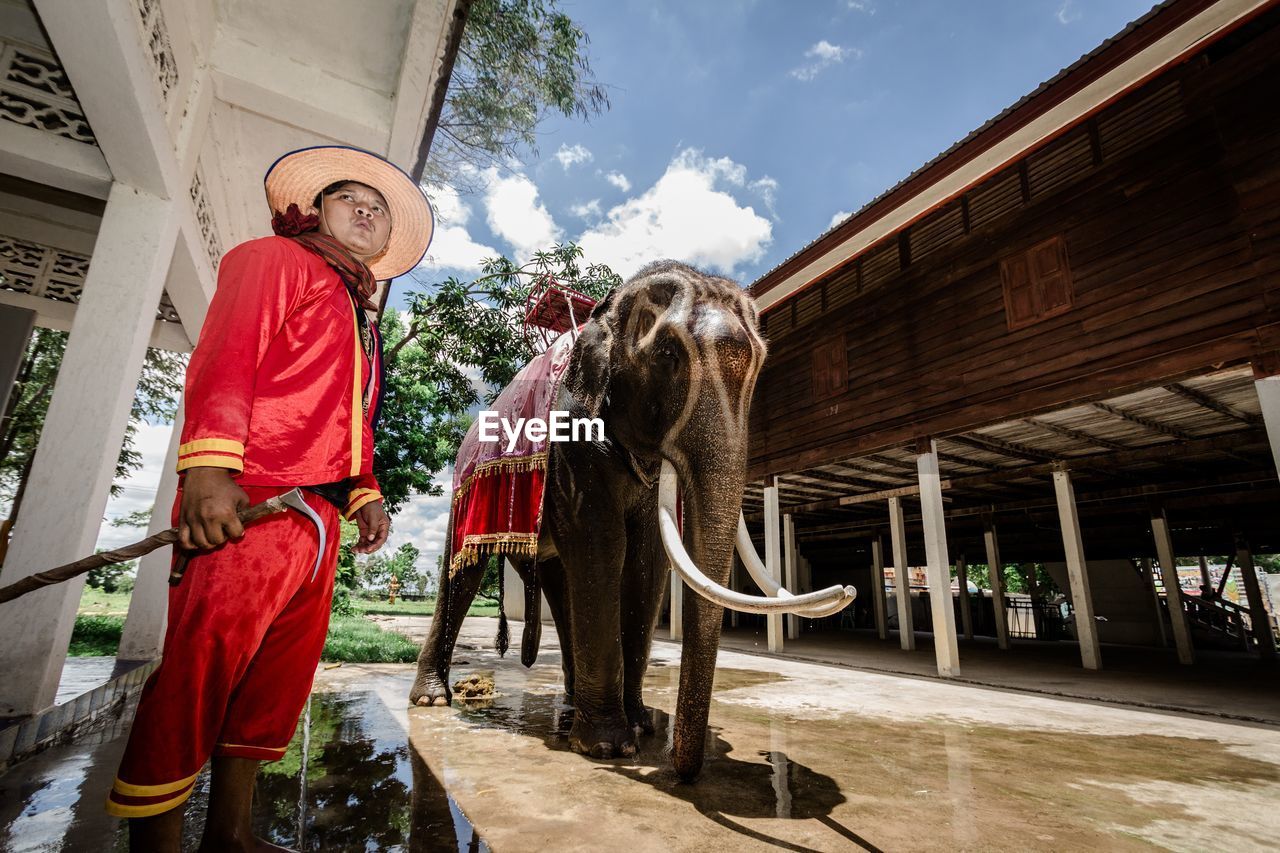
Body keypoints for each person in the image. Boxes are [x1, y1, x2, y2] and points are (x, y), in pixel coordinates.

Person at [104, 146, 433, 851]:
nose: (367, 212)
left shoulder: (362, 318)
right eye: (352, 199)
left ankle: (231, 834)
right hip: (249, 501)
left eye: (378, 211)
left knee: (270, 684)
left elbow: (351, 424)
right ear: (316, 211)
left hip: (315, 523)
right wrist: (209, 469)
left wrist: (364, 493)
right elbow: (225, 356)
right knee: (198, 675)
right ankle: (155, 844)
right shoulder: (272, 260)